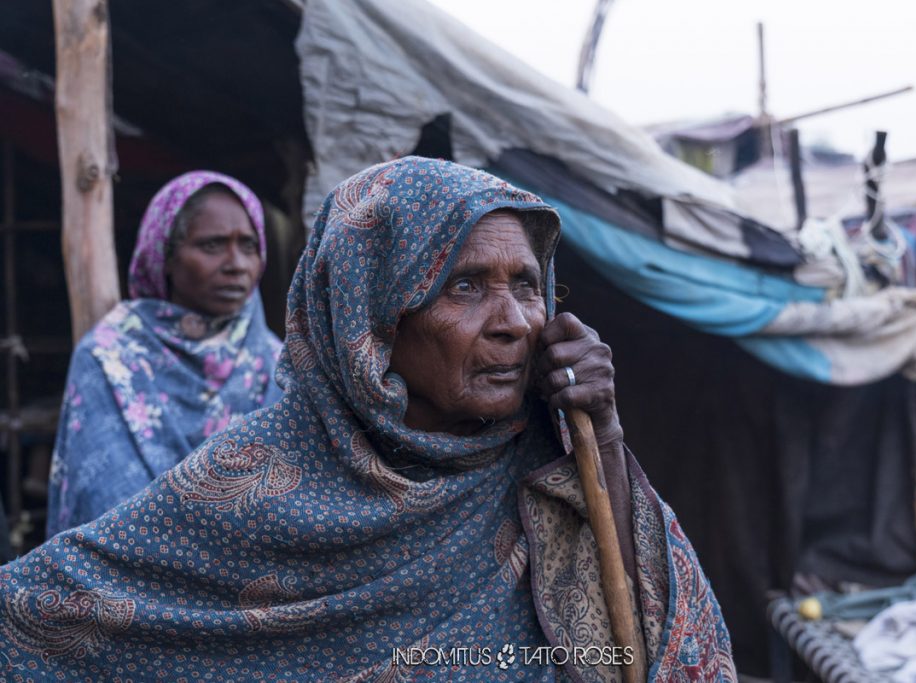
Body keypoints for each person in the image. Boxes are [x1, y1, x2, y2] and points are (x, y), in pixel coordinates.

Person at [3, 158, 734, 681]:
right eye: (465, 285)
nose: (513, 321)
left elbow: (668, 638)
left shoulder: (553, 462)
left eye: (527, 285)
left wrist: (601, 433)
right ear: (368, 317)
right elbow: (35, 617)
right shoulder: (249, 484)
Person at [45, 171, 283, 537]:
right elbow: (100, 507)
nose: (236, 263)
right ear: (165, 256)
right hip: (137, 583)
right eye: (212, 245)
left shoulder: (277, 364)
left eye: (249, 246)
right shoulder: (110, 358)